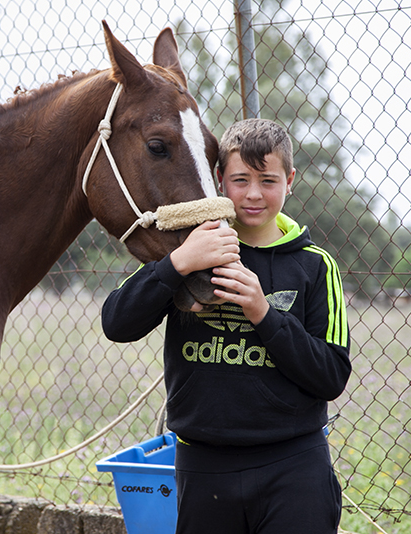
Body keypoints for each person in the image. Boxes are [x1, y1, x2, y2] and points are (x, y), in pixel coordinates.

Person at [101, 118, 351, 533]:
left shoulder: (315, 266)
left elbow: (330, 375)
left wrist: (264, 314)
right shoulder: (193, 249)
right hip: (203, 467)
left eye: (268, 180)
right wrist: (178, 264)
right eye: (240, 179)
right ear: (219, 179)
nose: (253, 194)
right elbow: (117, 322)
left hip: (293, 467)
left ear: (289, 181)